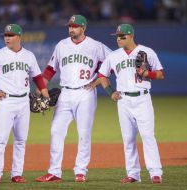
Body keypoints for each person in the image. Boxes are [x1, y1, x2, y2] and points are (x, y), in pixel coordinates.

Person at [35, 15, 111, 183]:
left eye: (75, 26)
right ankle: (54, 172)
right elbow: (49, 69)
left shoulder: (96, 46)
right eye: (70, 26)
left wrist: (98, 80)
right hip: (65, 93)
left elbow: (112, 62)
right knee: (56, 130)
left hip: (86, 93)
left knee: (84, 133)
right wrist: (42, 86)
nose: (71, 29)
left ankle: (80, 171)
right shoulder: (62, 45)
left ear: (83, 28)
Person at [0, 24, 49, 184]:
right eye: (5, 35)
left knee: (21, 140)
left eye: (10, 35)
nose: (7, 38)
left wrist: (45, 93)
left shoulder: (29, 55)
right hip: (6, 101)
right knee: (1, 139)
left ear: (19, 37)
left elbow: (37, 77)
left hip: (24, 101)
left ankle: (16, 174)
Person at [95, 24, 164, 184]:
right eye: (117, 36)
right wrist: (110, 92)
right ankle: (133, 174)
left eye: (122, 36)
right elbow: (102, 75)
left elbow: (161, 74)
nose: (118, 39)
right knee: (128, 139)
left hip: (142, 99)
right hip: (123, 101)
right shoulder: (114, 56)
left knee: (148, 136)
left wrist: (148, 73)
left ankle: (156, 173)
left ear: (131, 36)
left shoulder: (147, 52)